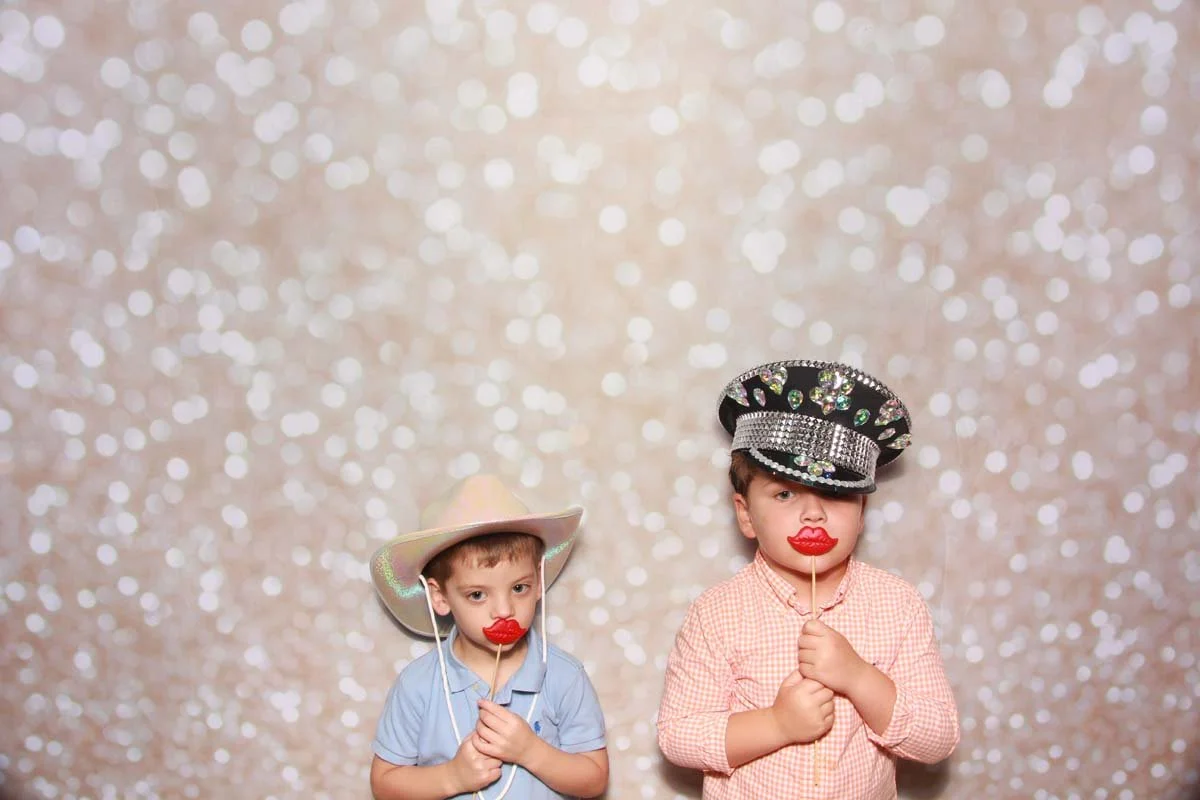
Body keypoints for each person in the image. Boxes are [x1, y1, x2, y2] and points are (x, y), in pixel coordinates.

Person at [657, 360, 959, 799]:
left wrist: (858, 677)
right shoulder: (716, 613)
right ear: (745, 514)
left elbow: (938, 738)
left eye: (836, 494)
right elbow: (677, 736)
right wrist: (777, 724)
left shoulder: (898, 605)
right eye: (784, 493)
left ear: (862, 514)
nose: (813, 513)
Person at [369, 473, 608, 800]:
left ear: (538, 583)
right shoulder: (417, 685)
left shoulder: (565, 676)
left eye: (519, 588)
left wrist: (531, 751)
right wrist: (452, 777)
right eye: (478, 595)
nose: (504, 610)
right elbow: (384, 784)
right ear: (439, 598)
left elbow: (595, 780)